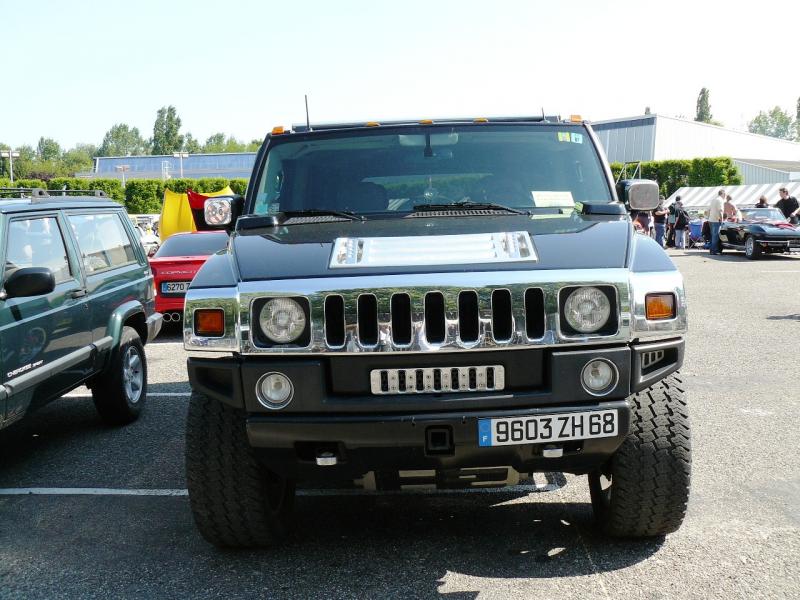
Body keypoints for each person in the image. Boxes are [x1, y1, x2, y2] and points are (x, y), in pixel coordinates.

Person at [707, 189, 725, 255]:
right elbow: (721, 211)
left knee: (712, 236)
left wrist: (708, 217)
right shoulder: (720, 200)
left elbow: (708, 210)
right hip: (716, 220)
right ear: (723, 194)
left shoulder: (713, 200)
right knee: (715, 236)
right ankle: (714, 251)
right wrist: (722, 219)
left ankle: (712, 250)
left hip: (711, 220)